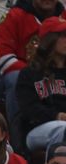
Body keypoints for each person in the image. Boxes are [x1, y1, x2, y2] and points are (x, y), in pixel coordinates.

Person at [0, 0, 62, 127]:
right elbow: (1, 57)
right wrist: (33, 75)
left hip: (58, 75)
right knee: (15, 78)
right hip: (20, 77)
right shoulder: (13, 16)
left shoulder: (64, 17)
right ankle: (18, 134)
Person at [17, 16, 66, 153]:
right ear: (50, 40)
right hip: (37, 129)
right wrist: (57, 115)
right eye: (63, 36)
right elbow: (29, 109)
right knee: (63, 129)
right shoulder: (30, 73)